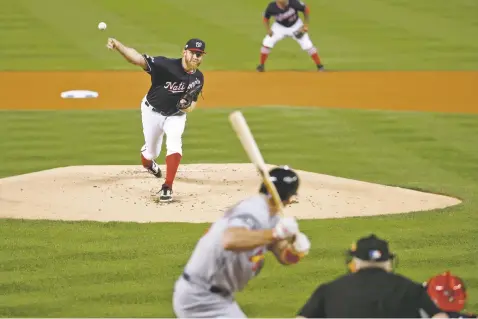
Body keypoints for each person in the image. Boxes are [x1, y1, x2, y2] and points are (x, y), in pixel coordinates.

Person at [172, 166, 311, 318]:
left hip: (219, 299)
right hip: (200, 297)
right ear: (290, 197)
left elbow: (284, 256)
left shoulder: (271, 217)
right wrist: (276, 233)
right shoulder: (254, 210)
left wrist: (297, 250)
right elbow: (230, 240)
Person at [106, 37, 206, 202]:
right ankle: (148, 163)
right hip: (151, 112)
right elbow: (137, 59)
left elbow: (192, 105)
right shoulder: (165, 65)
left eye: (200, 54)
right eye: (193, 53)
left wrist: (185, 106)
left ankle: (167, 187)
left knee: (174, 142)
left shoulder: (198, 78)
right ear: (184, 52)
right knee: (152, 153)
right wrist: (118, 46)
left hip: (176, 115)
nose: (196, 57)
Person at [296, 234, 449, 318]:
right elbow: (439, 317)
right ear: (388, 261)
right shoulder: (410, 288)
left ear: (355, 261)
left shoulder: (329, 290)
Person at [257, 0, 325, 72]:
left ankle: (319, 66)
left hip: (296, 25)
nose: (286, 2)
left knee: (307, 44)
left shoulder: (294, 2)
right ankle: (261, 65)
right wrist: (268, 29)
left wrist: (305, 25)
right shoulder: (271, 7)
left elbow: (306, 9)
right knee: (267, 42)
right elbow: (265, 18)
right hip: (279, 27)